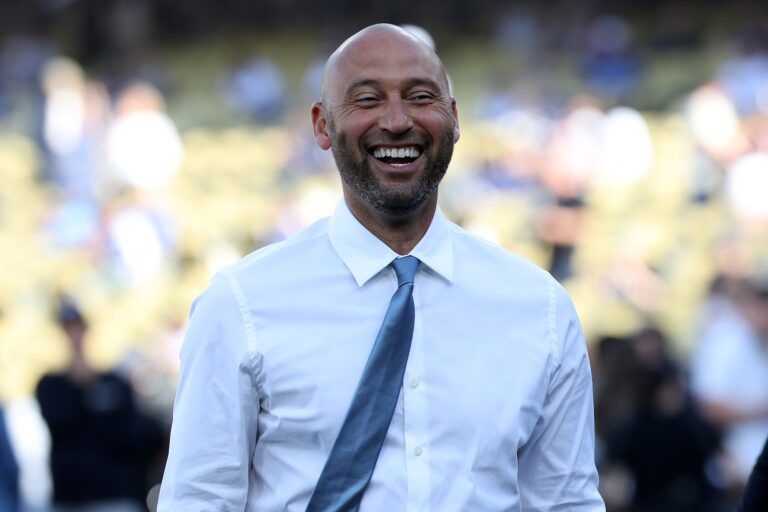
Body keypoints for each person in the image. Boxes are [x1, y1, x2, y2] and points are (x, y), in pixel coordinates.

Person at [159, 24, 604, 511]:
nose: (396, 121)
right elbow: (198, 500)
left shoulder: (538, 308)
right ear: (322, 125)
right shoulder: (240, 305)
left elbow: (565, 501)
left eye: (420, 96)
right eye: (367, 100)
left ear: (454, 119)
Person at [36, 298, 165, 511]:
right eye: (68, 328)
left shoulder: (115, 384)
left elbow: (135, 434)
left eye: (78, 327)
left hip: (114, 496)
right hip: (71, 499)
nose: (74, 335)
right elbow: (61, 420)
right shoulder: (51, 386)